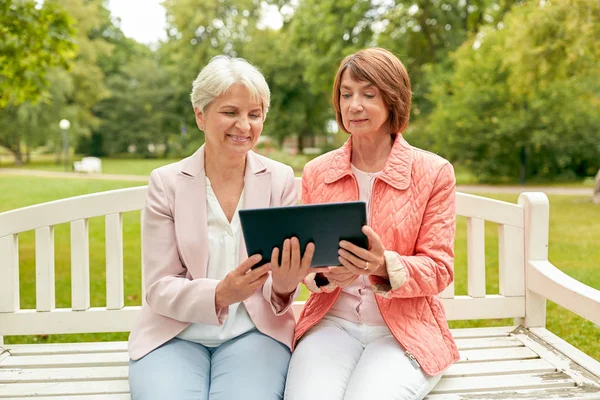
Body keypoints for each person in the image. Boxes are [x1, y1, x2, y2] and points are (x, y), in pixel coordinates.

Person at [128, 55, 318, 400]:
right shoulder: (167, 183)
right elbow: (158, 287)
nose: (244, 126)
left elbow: (280, 289)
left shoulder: (279, 180)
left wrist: (286, 283)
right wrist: (220, 294)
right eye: (230, 112)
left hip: (255, 335)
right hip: (174, 336)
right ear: (200, 116)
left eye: (254, 114)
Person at [284, 47, 460, 400]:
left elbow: (440, 268)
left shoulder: (434, 172)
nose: (354, 105)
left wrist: (383, 265)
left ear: (393, 99)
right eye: (346, 94)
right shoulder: (318, 172)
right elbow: (307, 260)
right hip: (330, 324)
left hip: (403, 332)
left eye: (368, 94)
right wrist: (325, 274)